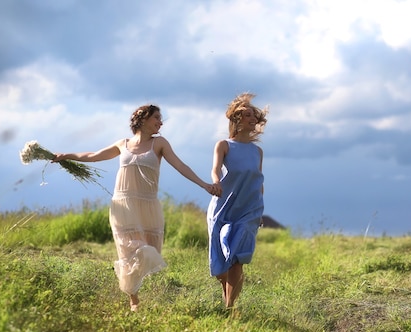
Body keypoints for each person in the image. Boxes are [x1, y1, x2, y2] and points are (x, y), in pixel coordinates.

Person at [52, 104, 221, 312]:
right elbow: (93, 156)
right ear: (142, 119)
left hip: (148, 205)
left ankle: (135, 287)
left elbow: (180, 166)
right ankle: (133, 298)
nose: (161, 122)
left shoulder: (159, 143)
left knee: (148, 250)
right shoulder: (123, 144)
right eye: (156, 117)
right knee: (128, 249)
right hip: (123, 204)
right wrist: (66, 156)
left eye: (161, 118)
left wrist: (204, 185)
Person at [207, 93, 267, 309]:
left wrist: (259, 212)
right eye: (248, 115)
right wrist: (216, 182)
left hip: (249, 209)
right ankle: (227, 294)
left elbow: (258, 181)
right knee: (221, 266)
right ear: (237, 120)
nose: (253, 119)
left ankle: (230, 308)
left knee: (238, 258)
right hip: (223, 208)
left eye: (254, 116)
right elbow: (215, 169)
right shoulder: (224, 145)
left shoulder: (257, 152)